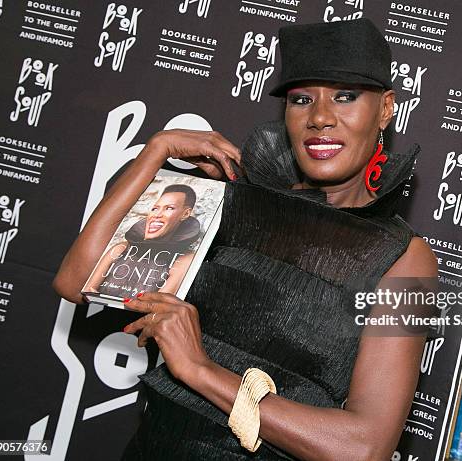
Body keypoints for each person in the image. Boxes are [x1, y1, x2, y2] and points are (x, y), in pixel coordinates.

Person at [53, 18, 438, 461]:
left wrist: (201, 370)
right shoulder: (233, 199)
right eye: (301, 100)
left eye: (346, 97)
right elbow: (76, 280)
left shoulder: (408, 260)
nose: (320, 118)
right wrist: (154, 151)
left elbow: (364, 447)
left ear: (386, 109)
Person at [82, 184, 200, 298]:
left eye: (169, 208)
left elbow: (159, 305)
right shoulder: (121, 248)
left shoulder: (185, 259)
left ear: (185, 214)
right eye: (155, 208)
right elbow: (87, 291)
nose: (157, 215)